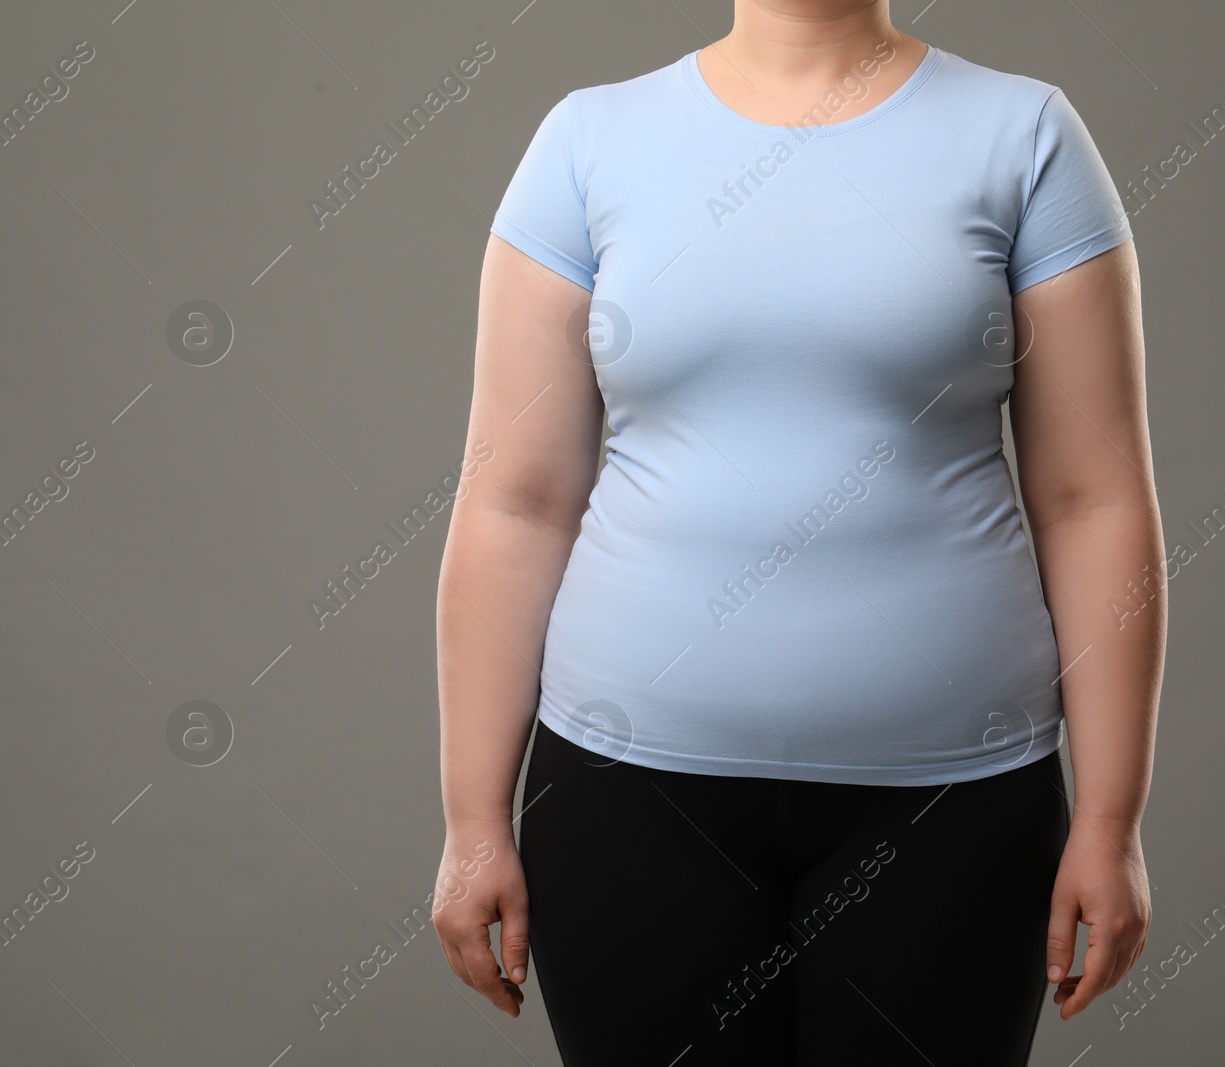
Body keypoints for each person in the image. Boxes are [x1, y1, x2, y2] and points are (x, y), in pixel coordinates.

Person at [433, 3, 1162, 1063]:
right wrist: (471, 820)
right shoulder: (588, 143)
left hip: (951, 809)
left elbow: (1092, 498)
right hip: (627, 804)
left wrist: (1108, 817)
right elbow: (515, 500)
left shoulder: (1025, 134)